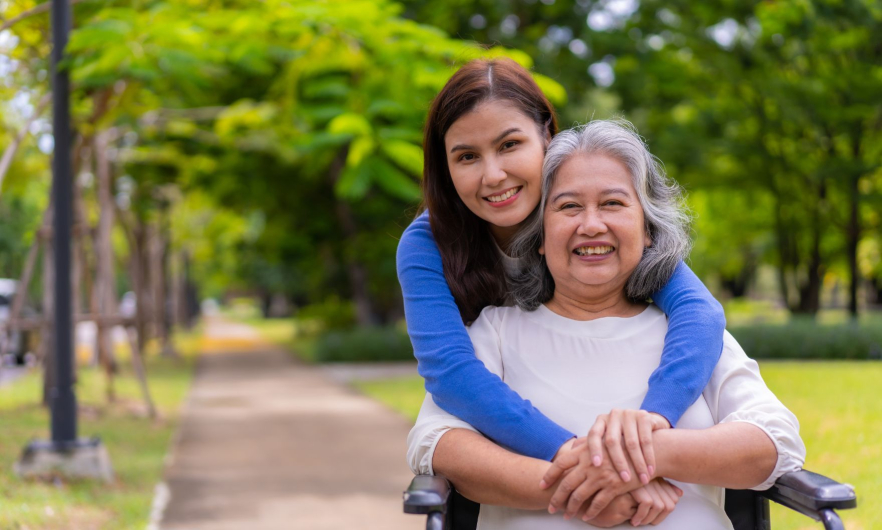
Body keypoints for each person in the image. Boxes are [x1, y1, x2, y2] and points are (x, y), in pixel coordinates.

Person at [406, 120, 806, 528]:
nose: (591, 224)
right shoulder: (496, 332)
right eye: (568, 206)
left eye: (613, 204)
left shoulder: (690, 336)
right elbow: (437, 443)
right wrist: (586, 491)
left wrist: (648, 451)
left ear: (647, 229)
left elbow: (776, 441)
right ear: (540, 236)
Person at [396, 57, 726, 503]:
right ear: (446, 167)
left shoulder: (593, 223)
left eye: (509, 145)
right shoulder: (427, 244)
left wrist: (645, 430)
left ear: (547, 138)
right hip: (507, 448)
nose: (493, 175)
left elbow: (699, 311)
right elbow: (452, 374)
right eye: (467, 157)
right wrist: (591, 462)